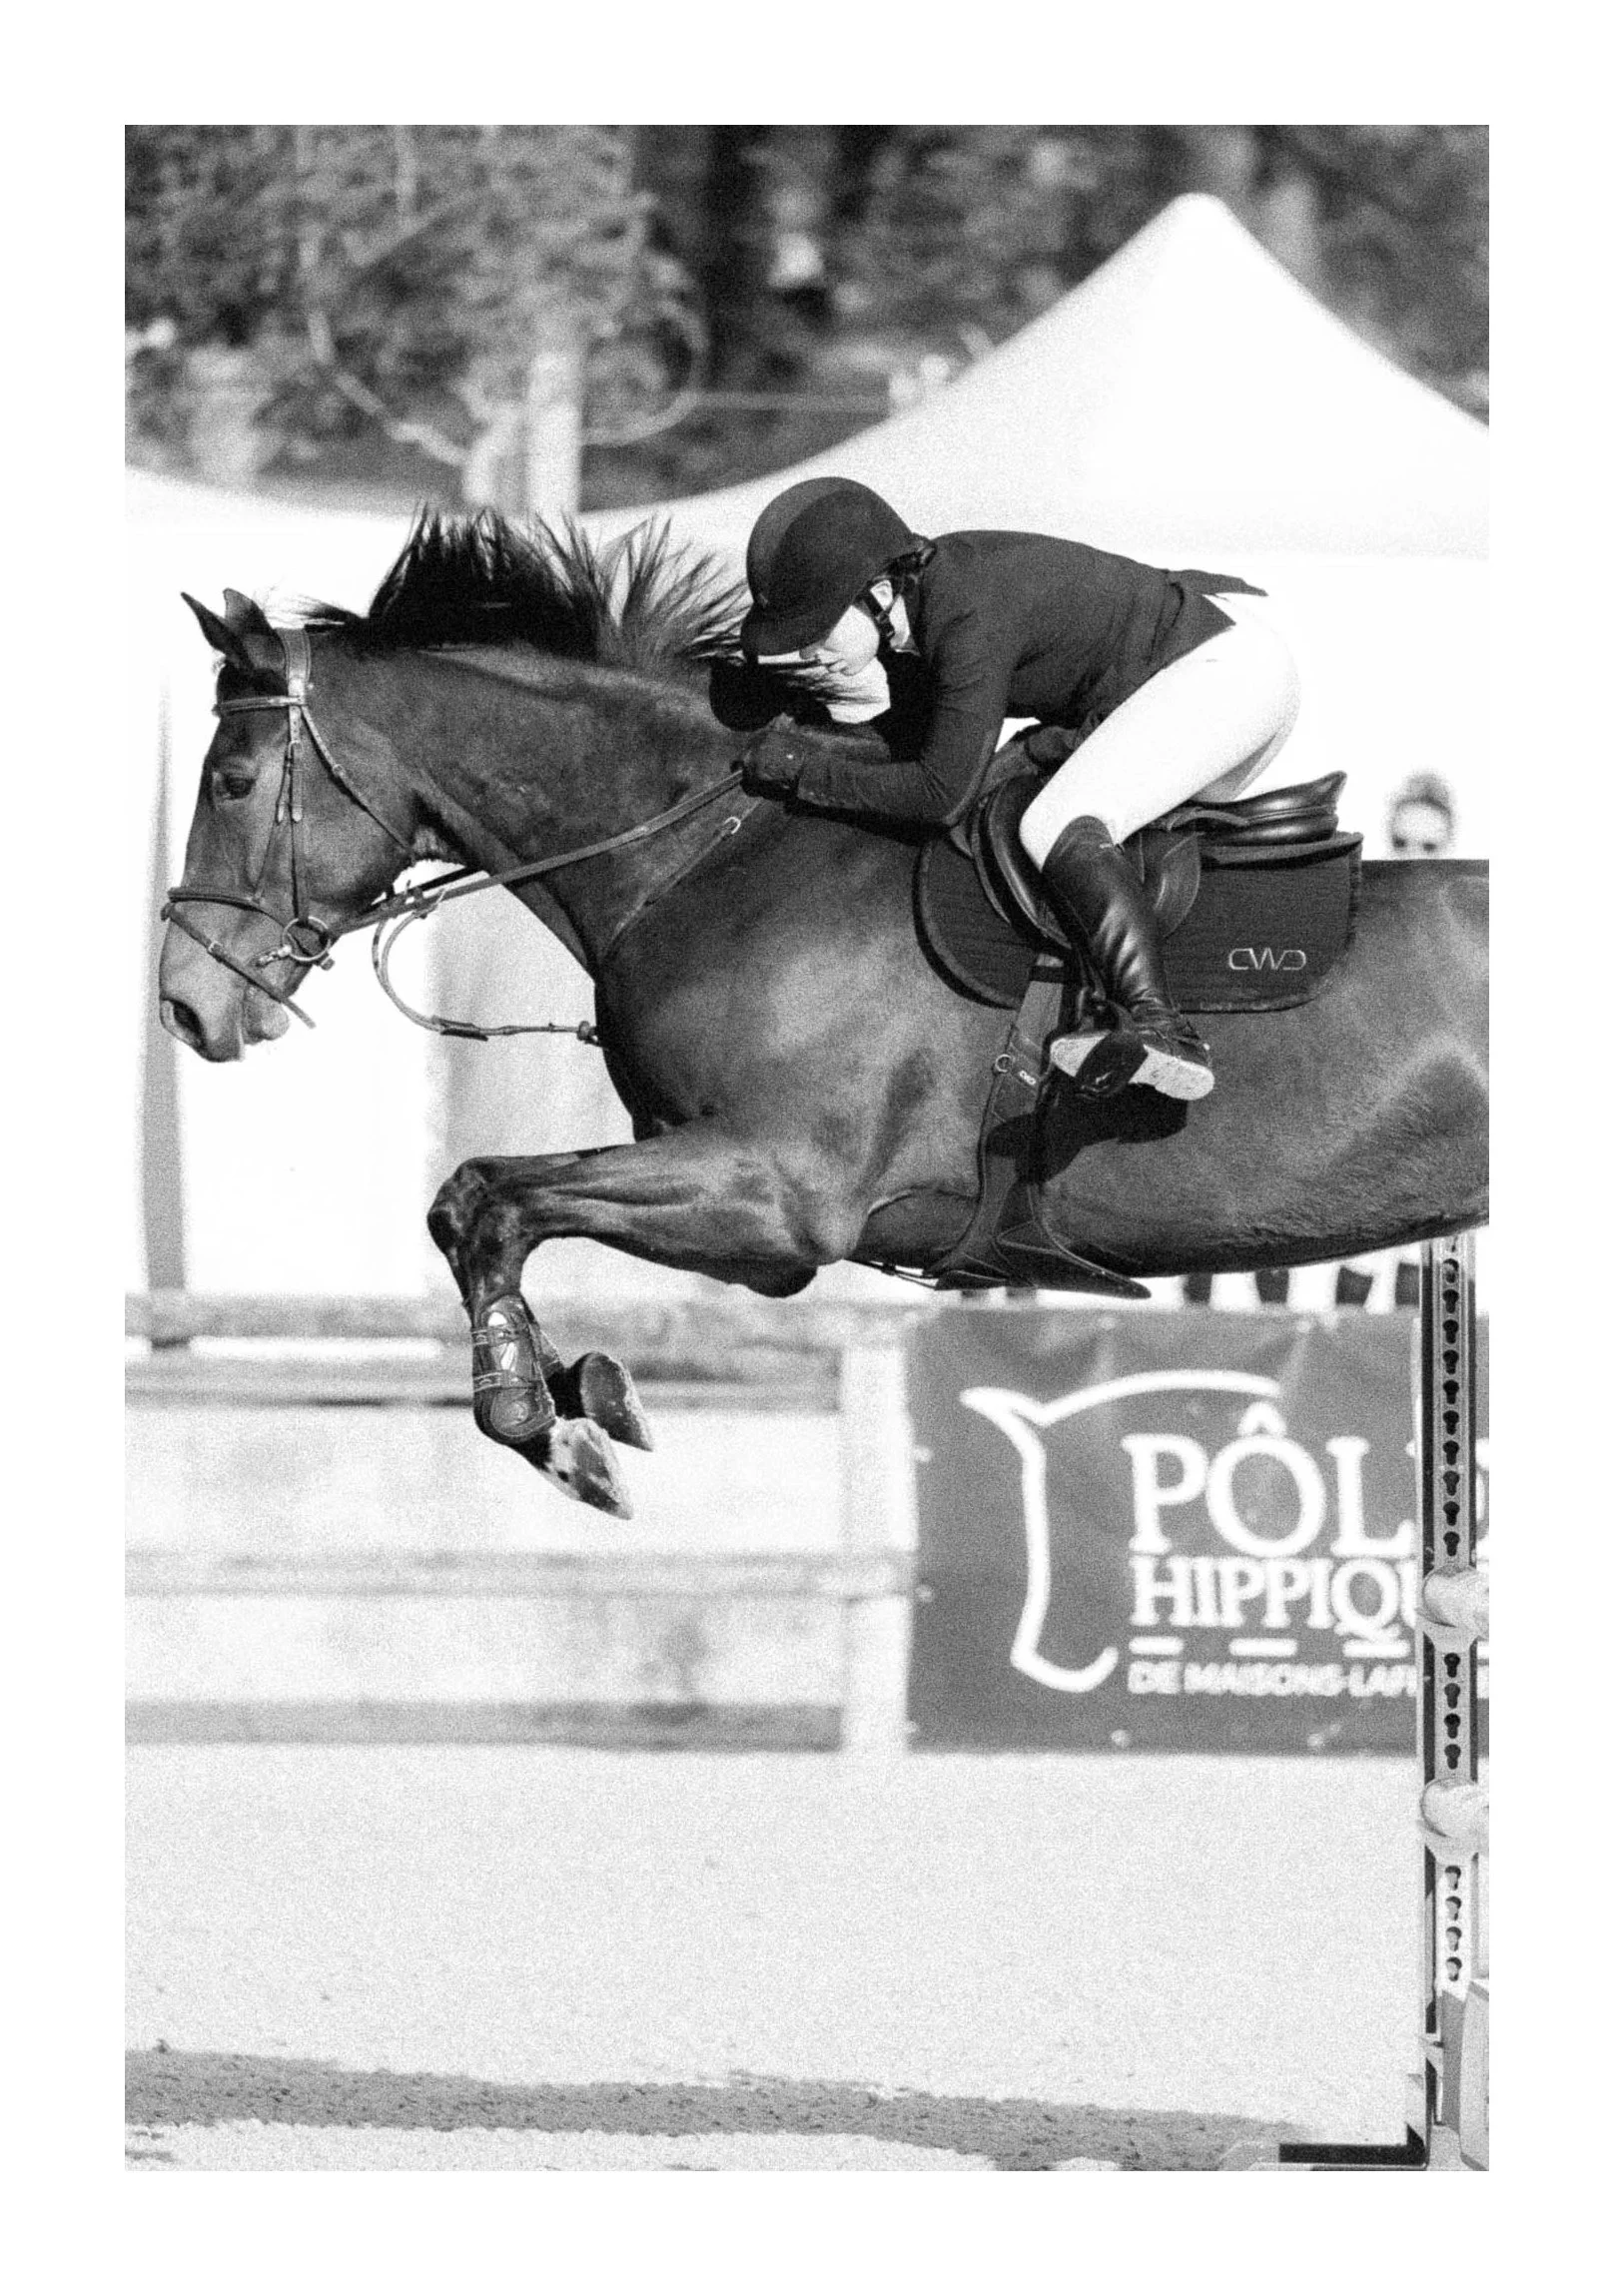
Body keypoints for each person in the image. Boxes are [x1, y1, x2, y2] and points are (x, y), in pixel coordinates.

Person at [736, 476, 1301, 1103]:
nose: (812, 654)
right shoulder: (928, 604)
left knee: (1055, 821)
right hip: (1187, 669)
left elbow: (938, 794)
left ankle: (1158, 1026)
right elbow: (918, 747)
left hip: (1225, 672)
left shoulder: (964, 615)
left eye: (818, 632)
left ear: (876, 594)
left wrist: (802, 772)